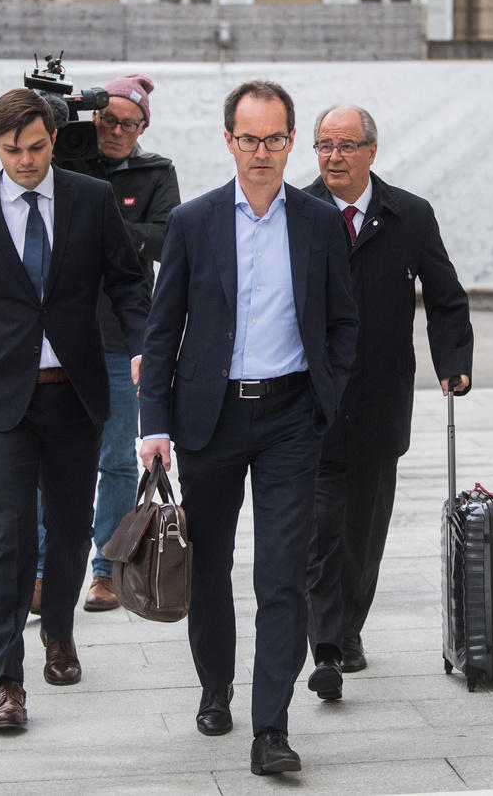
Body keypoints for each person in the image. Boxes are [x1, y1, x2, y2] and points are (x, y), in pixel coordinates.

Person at [0, 88, 151, 732]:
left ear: (53, 138)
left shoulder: (90, 199)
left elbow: (126, 279)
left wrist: (146, 348)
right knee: (10, 537)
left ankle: (60, 636)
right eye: (13, 150)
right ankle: (7, 682)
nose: (26, 160)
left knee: (69, 532)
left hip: (75, 393)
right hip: (0, 401)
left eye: (37, 147)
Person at [138, 80, 357, 775]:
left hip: (292, 415)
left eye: (274, 138)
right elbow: (162, 326)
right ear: (228, 140)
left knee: (282, 573)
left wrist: (326, 395)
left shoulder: (319, 223)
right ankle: (216, 683)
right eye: (248, 138)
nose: (261, 152)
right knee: (208, 565)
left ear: (292, 141)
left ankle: (271, 724)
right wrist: (155, 424)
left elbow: (345, 321)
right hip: (211, 417)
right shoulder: (194, 222)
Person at [301, 104, 473, 700]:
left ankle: (349, 629)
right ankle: (324, 643)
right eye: (324, 145)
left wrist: (453, 363)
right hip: (312, 398)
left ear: (372, 151)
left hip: (380, 394)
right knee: (319, 523)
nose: (334, 157)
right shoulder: (297, 212)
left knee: (363, 528)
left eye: (346, 146)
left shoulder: (409, 216)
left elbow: (446, 296)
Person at [31, 73, 180, 614]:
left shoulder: (156, 171)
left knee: (117, 459)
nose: (115, 131)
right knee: (50, 459)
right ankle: (45, 570)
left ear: (143, 126)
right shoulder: (65, 160)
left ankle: (107, 570)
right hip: (61, 335)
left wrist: (104, 222)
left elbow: (166, 238)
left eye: (128, 123)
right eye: (107, 120)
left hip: (121, 335)